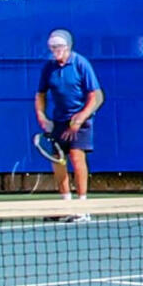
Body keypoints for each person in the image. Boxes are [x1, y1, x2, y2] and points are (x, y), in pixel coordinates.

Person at [36, 27, 104, 218]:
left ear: (68, 46)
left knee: (76, 156)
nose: (56, 50)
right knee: (58, 161)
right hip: (58, 121)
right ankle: (67, 206)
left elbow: (97, 96)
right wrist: (42, 117)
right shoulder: (48, 67)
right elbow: (40, 95)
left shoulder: (81, 64)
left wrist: (80, 118)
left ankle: (82, 208)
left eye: (59, 46)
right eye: (52, 47)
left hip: (80, 121)